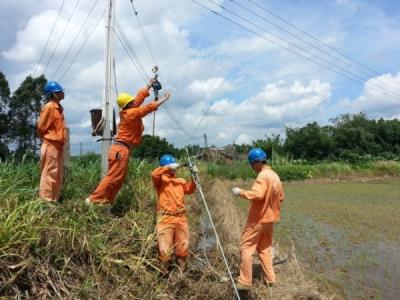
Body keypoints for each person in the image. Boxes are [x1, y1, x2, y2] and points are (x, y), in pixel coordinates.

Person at [86, 79, 171, 206]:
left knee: (118, 178)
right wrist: (163, 99)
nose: (134, 102)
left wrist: (148, 85)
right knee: (113, 177)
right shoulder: (131, 113)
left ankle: (106, 201)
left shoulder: (127, 110)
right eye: (132, 102)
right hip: (120, 150)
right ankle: (93, 200)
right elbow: (147, 108)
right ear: (128, 104)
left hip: (120, 149)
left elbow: (139, 98)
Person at [231, 148, 284, 290]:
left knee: (246, 247)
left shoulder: (262, 176)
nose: (252, 167)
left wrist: (240, 192)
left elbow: (258, 194)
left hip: (258, 220)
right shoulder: (275, 176)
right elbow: (281, 197)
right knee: (265, 248)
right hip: (270, 220)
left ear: (256, 162)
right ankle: (270, 279)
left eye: (251, 164)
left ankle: (244, 282)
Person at [151, 154, 197, 272]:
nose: (173, 169)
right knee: (164, 250)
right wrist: (167, 167)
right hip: (165, 218)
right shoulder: (160, 180)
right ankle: (163, 275)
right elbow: (154, 174)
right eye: (169, 166)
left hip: (181, 218)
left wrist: (194, 176)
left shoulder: (180, 181)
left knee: (182, 247)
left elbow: (190, 189)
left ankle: (181, 274)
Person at [36, 81, 66, 203]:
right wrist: (49, 138)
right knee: (49, 174)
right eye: (59, 91)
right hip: (50, 145)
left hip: (57, 146)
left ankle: (54, 199)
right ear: (53, 94)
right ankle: (46, 201)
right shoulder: (49, 107)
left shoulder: (58, 108)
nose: (62, 93)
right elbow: (41, 127)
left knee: (57, 174)